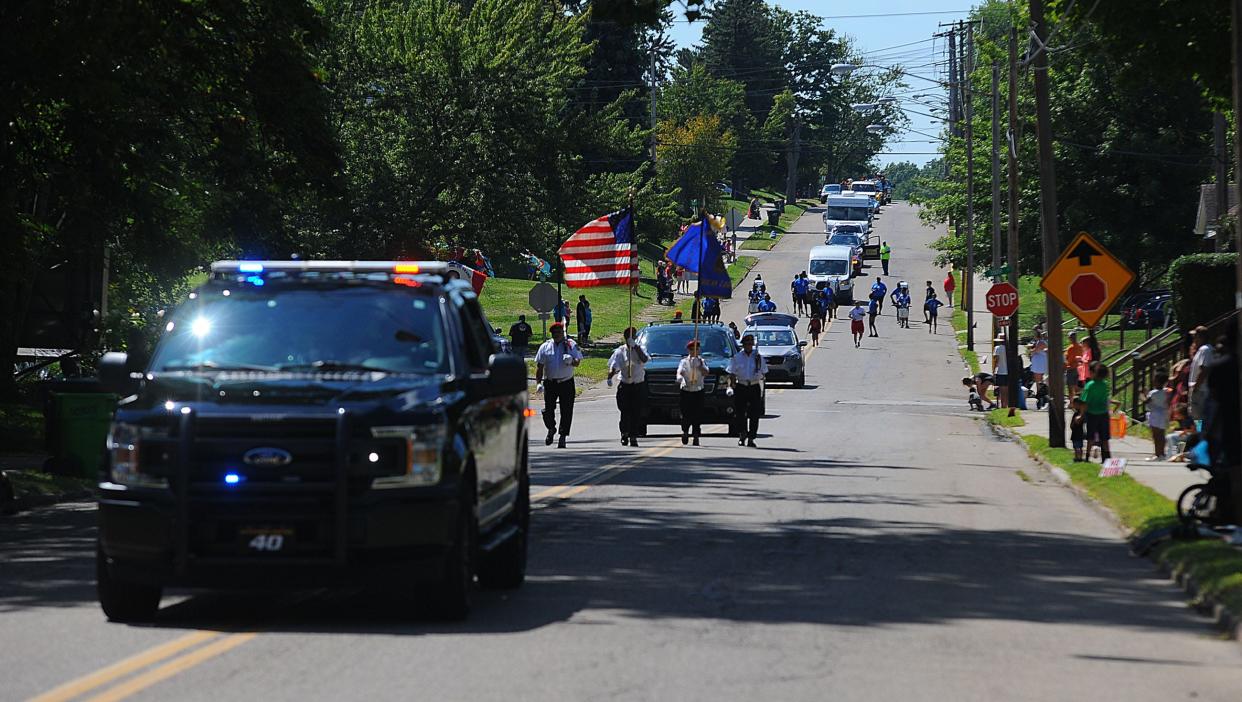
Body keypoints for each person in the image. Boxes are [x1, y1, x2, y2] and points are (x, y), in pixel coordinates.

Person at [534, 322, 583, 448]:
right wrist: (538, 383)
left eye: (559, 332)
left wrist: (571, 361)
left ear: (563, 332)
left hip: (566, 382)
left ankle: (563, 436)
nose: (556, 334)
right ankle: (551, 428)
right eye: (554, 333)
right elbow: (539, 367)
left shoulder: (570, 345)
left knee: (566, 410)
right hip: (550, 383)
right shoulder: (545, 347)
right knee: (548, 410)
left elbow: (578, 362)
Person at [607, 327, 650, 448]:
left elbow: (645, 359)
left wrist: (635, 347)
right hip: (625, 385)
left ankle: (633, 436)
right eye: (628, 336)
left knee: (636, 412)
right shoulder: (620, 351)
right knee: (625, 411)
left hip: (638, 385)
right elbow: (613, 366)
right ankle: (624, 433)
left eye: (632, 336)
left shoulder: (641, 349)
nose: (630, 338)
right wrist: (609, 377)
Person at [727, 334, 768, 447]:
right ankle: (742, 434)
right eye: (747, 344)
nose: (749, 346)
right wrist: (731, 386)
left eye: (751, 344)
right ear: (743, 345)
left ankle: (751, 437)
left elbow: (764, 372)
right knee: (740, 413)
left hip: (754, 386)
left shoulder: (758, 356)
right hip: (741, 386)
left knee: (754, 413)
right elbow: (731, 373)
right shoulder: (737, 357)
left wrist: (759, 367)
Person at [677, 339, 709, 445]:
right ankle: (685, 431)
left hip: (698, 390)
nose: (693, 351)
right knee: (686, 414)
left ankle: (696, 435)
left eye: (696, 349)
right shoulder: (684, 362)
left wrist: (699, 365)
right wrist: (680, 377)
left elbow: (706, 372)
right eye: (691, 349)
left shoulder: (702, 361)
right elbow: (680, 372)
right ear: (688, 350)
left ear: (699, 350)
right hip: (686, 390)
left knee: (697, 414)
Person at [1081, 361, 1112, 462]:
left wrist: (1081, 415)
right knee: (1104, 438)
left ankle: (1087, 457)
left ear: (1094, 373)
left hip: (1092, 414)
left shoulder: (1090, 385)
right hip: (1103, 413)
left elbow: (1085, 401)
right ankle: (1106, 458)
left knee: (1090, 437)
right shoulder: (1105, 385)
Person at [1188, 325, 1215, 422]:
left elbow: (1204, 369)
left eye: (1195, 336)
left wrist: (1196, 386)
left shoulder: (1205, 350)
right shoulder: (1203, 349)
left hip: (1200, 390)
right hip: (1200, 389)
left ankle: (1200, 436)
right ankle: (1200, 434)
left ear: (1201, 337)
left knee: (1198, 418)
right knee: (1198, 418)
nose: (1193, 339)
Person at [1145, 370, 1170, 461]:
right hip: (1163, 414)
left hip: (1154, 414)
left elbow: (1147, 402)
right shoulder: (1166, 392)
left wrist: (1144, 394)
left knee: (1156, 435)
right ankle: (1162, 453)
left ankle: (1157, 454)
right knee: (1162, 435)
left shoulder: (1152, 393)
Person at [1064, 332, 1083, 403]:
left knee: (1070, 387)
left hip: (1071, 369)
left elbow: (1067, 359)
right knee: (1077, 388)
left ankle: (1072, 403)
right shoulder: (1081, 347)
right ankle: (1078, 402)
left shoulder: (1070, 348)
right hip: (1079, 369)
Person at [992, 335, 1010, 408]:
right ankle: (1007, 404)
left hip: (1001, 371)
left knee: (1002, 391)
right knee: (1007, 390)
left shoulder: (997, 348)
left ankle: (1003, 405)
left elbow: (996, 360)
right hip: (1008, 371)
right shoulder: (1009, 348)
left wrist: (994, 370)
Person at [1070, 398, 1087, 462]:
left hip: (1077, 432)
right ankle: (1078, 457)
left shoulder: (1079, 414)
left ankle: (1078, 457)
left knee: (1077, 446)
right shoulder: (1079, 413)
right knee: (1078, 446)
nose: (1073, 406)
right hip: (1078, 432)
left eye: (1075, 404)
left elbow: (1077, 422)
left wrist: (1072, 424)